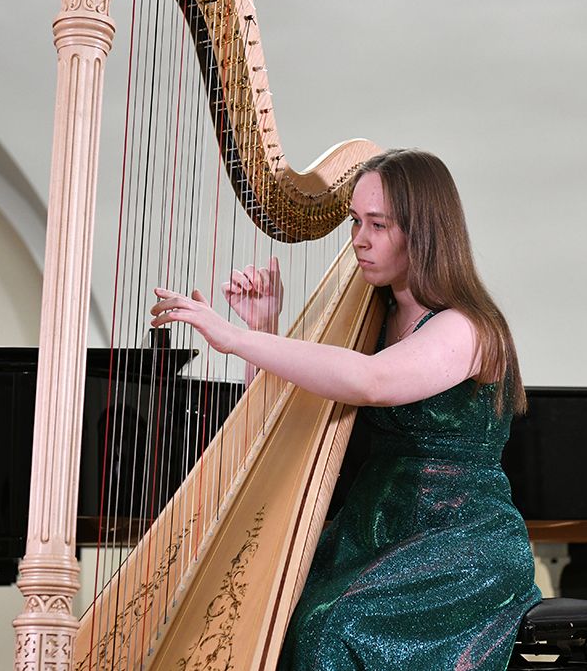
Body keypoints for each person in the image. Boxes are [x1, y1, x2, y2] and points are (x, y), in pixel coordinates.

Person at [150, 148, 541, 670]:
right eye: (356, 221)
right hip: (371, 529)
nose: (359, 238)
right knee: (265, 611)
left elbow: (371, 382)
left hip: (459, 541)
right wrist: (263, 327)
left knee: (331, 627)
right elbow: (289, 419)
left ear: (423, 232)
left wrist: (233, 339)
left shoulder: (468, 328)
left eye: (378, 224)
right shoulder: (372, 319)